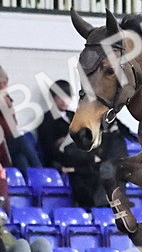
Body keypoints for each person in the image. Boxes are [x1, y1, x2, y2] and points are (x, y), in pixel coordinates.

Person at [39, 79, 129, 207]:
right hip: (70, 158)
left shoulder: (74, 115)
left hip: (85, 158)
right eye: (61, 97)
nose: (65, 100)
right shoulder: (47, 120)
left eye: (68, 96)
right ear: (54, 98)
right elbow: (50, 149)